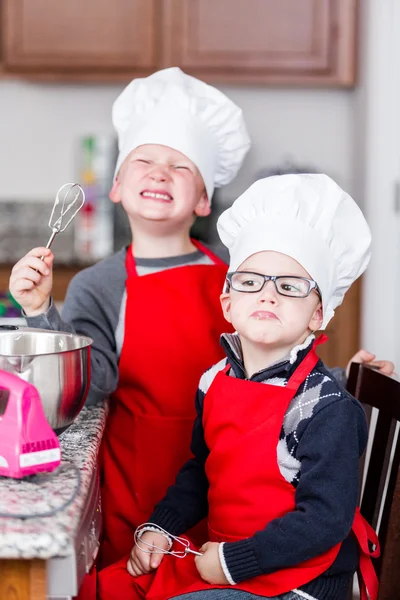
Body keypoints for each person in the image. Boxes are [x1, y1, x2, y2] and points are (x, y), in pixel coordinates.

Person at [9, 69, 392, 571]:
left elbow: (271, 374)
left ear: (206, 199)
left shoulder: (242, 280)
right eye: (143, 160)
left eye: (181, 165)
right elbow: (92, 383)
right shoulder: (97, 286)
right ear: (118, 185)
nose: (160, 172)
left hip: (237, 501)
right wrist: (40, 310)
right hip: (143, 497)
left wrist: (339, 382)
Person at [98, 174, 379, 600]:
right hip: (228, 559)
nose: (268, 295)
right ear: (228, 303)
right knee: (107, 588)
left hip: (300, 582)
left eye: (289, 286)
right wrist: (161, 527)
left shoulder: (325, 407)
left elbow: (325, 519)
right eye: (250, 281)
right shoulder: (214, 382)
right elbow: (201, 470)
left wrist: (233, 562)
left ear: (318, 314)